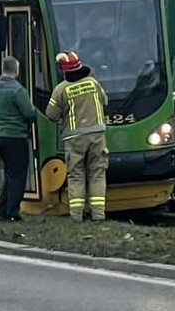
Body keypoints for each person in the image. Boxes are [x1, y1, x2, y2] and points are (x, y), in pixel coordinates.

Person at [45, 51, 109, 222]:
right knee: (97, 173)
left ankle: (76, 216)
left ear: (64, 71)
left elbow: (51, 114)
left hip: (75, 139)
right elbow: (105, 101)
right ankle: (98, 215)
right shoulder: (93, 83)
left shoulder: (61, 90)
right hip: (97, 135)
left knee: (76, 175)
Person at [0, 56, 37, 222]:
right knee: (18, 175)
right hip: (15, 136)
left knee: (10, 174)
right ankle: (12, 212)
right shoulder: (18, 90)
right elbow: (29, 113)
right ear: (16, 70)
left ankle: (1, 211)